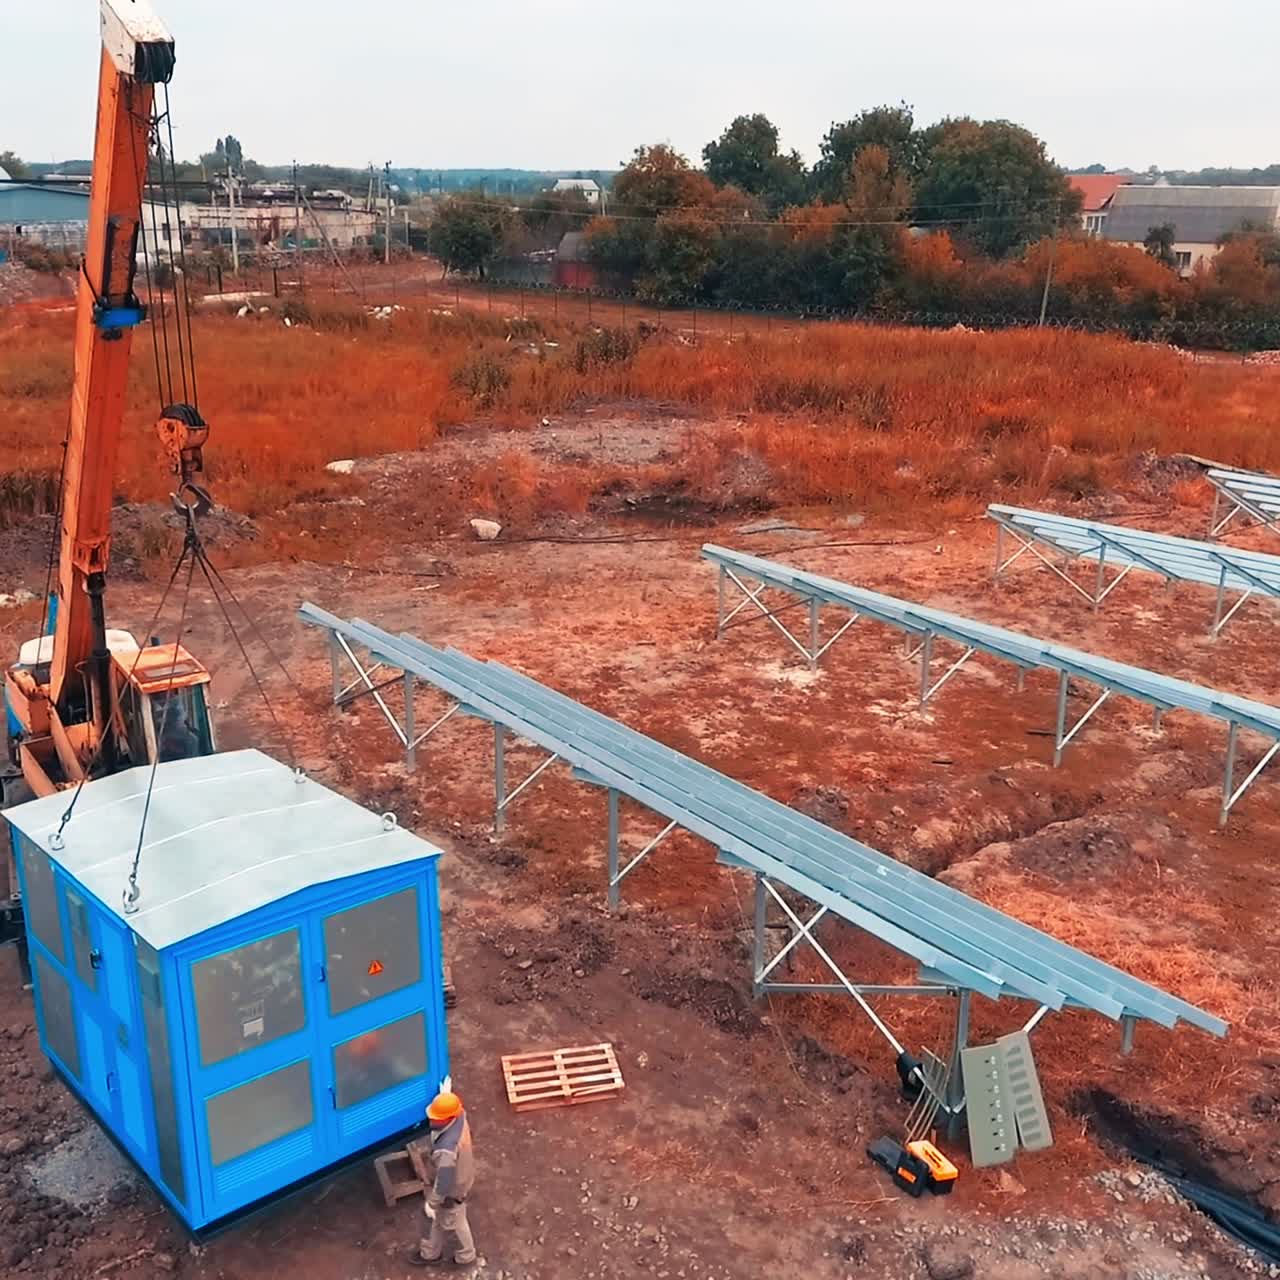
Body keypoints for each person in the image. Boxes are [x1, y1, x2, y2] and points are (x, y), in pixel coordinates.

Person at [408, 1091, 477, 1267]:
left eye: (436, 1118)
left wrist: (432, 1202)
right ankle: (431, 1252)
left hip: (453, 1189)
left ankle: (466, 1256)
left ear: (447, 1119)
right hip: (463, 1174)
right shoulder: (460, 1115)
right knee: (442, 1219)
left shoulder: (446, 1150)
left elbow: (444, 1182)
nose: (431, 1121)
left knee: (455, 1220)